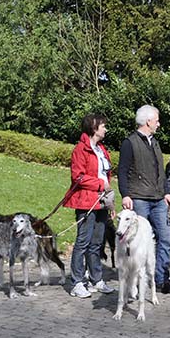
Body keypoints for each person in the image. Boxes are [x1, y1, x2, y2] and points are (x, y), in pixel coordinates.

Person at [118, 105, 170, 294]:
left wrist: (167, 192)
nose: (158, 124)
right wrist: (125, 194)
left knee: (165, 237)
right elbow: (122, 170)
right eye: (157, 120)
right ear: (148, 121)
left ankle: (161, 279)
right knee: (138, 240)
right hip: (139, 198)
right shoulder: (129, 143)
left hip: (158, 199)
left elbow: (161, 172)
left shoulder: (155, 143)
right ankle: (136, 280)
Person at [65, 113, 116, 299]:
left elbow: (105, 174)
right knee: (83, 242)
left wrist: (110, 204)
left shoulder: (101, 149)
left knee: (96, 243)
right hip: (87, 201)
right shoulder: (80, 149)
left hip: (102, 201)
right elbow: (77, 177)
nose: (106, 129)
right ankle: (77, 282)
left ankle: (96, 279)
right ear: (94, 128)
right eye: (103, 126)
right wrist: (100, 184)